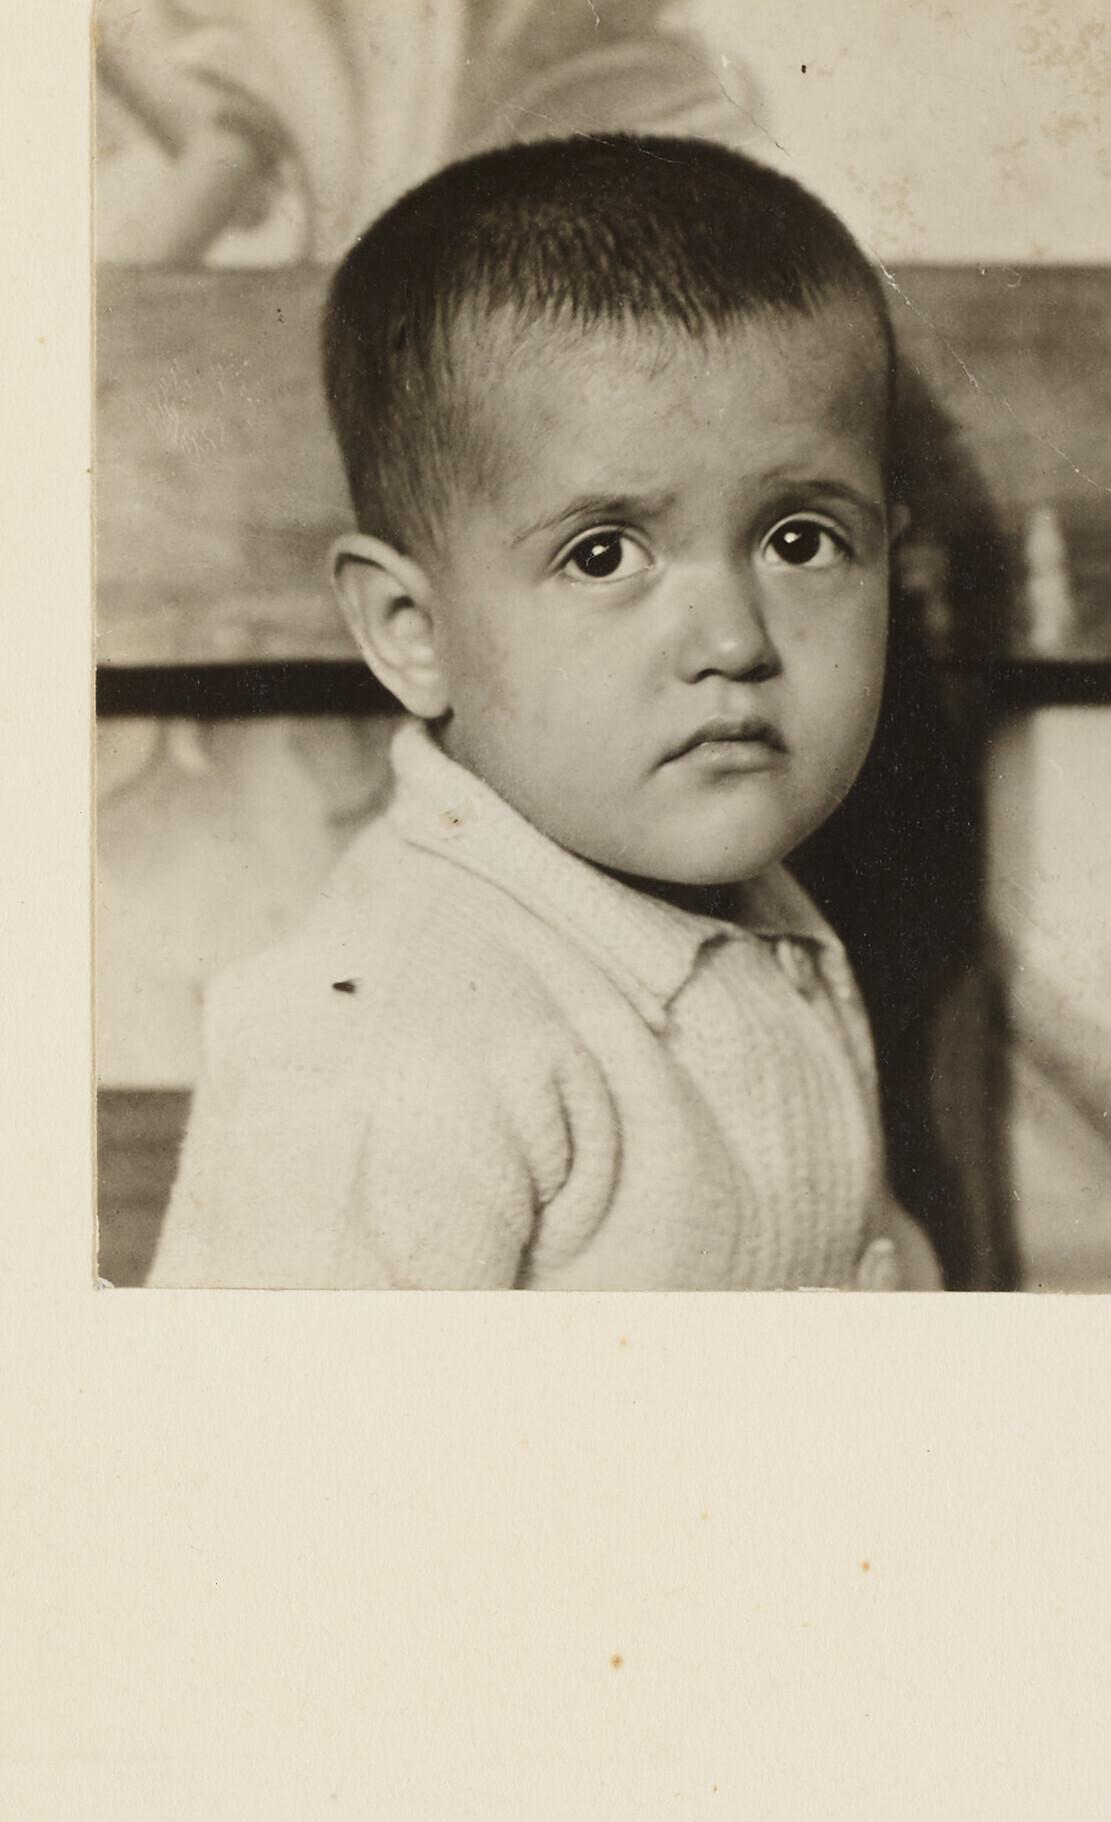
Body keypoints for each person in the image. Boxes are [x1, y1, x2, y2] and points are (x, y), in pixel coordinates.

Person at [151, 136, 939, 1289]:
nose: (733, 642)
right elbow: (278, 1444)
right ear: (413, 634)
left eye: (800, 539)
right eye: (604, 552)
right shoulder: (391, 1036)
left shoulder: (761, 922)